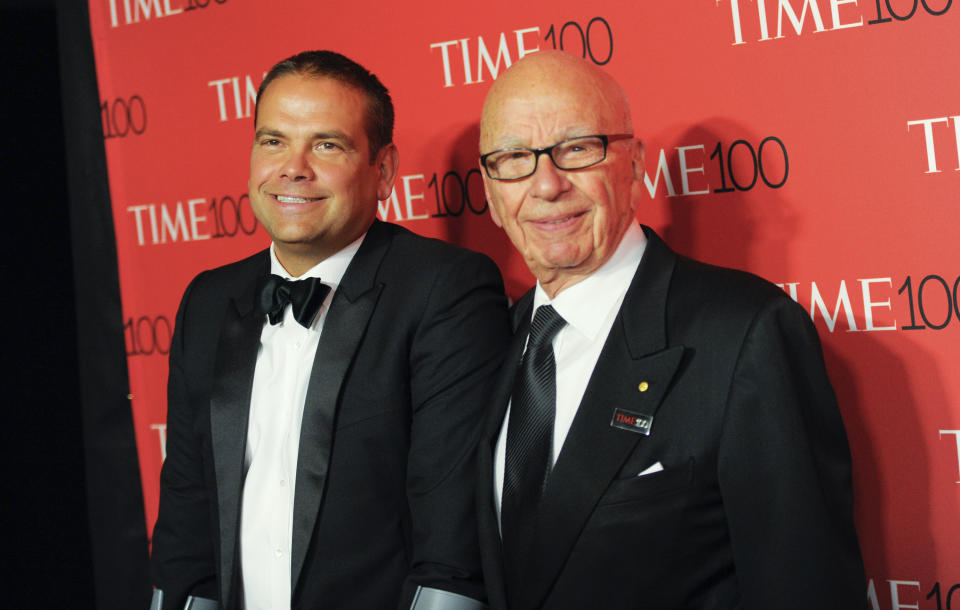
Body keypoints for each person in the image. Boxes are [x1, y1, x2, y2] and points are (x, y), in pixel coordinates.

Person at [475, 50, 866, 610]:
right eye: (514, 157)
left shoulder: (746, 334)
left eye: (578, 149)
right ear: (490, 193)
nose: (546, 184)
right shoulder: (493, 343)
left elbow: (806, 587)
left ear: (634, 166)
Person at [150, 50, 509, 610]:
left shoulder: (445, 291)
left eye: (326, 144)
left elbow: (452, 547)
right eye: (273, 141)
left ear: (383, 169)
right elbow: (186, 524)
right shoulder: (209, 299)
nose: (293, 167)